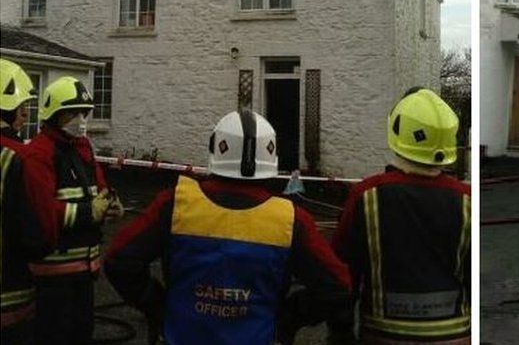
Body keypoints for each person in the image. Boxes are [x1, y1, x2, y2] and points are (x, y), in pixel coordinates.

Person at [104, 109, 353, 345]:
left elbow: (120, 261)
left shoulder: (176, 205)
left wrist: (159, 307)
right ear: (271, 159)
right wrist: (286, 320)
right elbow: (337, 287)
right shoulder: (290, 219)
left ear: (215, 151)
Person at [333, 88, 471, 344]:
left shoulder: (366, 195)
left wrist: (339, 332)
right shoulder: (467, 200)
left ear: (396, 130)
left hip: (383, 335)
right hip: (455, 335)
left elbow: (342, 274)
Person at [19, 76, 122, 345]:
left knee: (81, 332)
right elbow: (42, 212)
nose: (81, 119)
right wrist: (91, 213)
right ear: (53, 115)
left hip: (85, 269)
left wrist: (111, 203)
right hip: (54, 275)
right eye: (72, 113)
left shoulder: (83, 148)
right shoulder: (39, 154)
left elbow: (98, 188)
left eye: (84, 112)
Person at [0, 59, 44, 343]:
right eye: (23, 108)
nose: (25, 116)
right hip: (10, 295)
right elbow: (34, 232)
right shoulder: (17, 159)